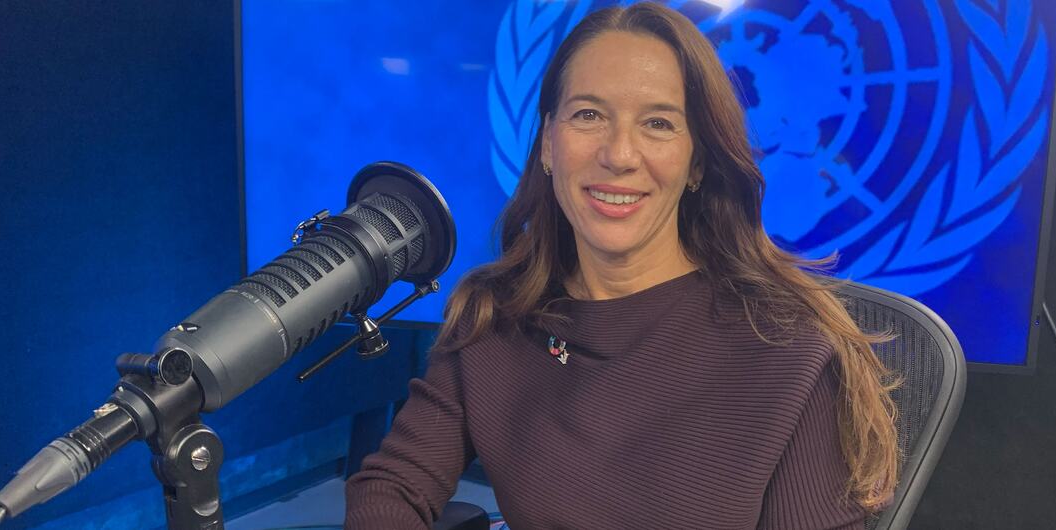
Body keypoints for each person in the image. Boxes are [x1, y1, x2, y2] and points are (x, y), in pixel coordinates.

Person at [345, 3, 898, 528]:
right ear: (548, 144)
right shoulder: (494, 317)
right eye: (588, 115)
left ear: (696, 163)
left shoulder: (788, 349)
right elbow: (392, 485)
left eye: (658, 123)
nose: (619, 155)